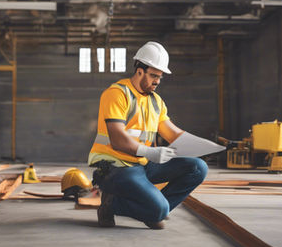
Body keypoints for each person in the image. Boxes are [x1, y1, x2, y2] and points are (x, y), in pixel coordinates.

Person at [88, 41, 208, 229]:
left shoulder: (156, 101)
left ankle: (154, 210)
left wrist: (203, 146)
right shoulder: (117, 94)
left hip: (142, 164)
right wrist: (150, 152)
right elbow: (118, 138)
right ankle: (110, 205)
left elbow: (172, 133)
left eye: (160, 77)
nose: (157, 81)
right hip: (116, 167)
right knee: (159, 210)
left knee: (198, 168)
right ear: (139, 71)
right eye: (153, 75)